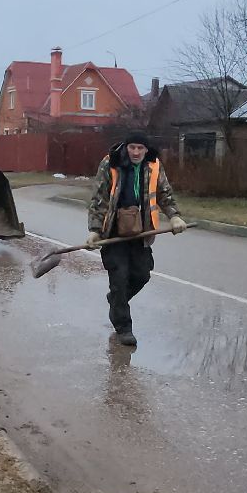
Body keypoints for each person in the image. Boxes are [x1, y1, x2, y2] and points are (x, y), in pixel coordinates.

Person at [87, 133, 188, 347]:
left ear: (145, 149)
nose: (135, 152)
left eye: (140, 148)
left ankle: (116, 300)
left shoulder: (154, 166)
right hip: (113, 231)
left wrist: (175, 216)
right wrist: (95, 229)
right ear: (126, 146)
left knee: (141, 275)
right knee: (120, 278)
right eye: (132, 147)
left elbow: (164, 194)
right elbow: (99, 198)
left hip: (141, 231)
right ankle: (124, 327)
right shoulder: (110, 163)